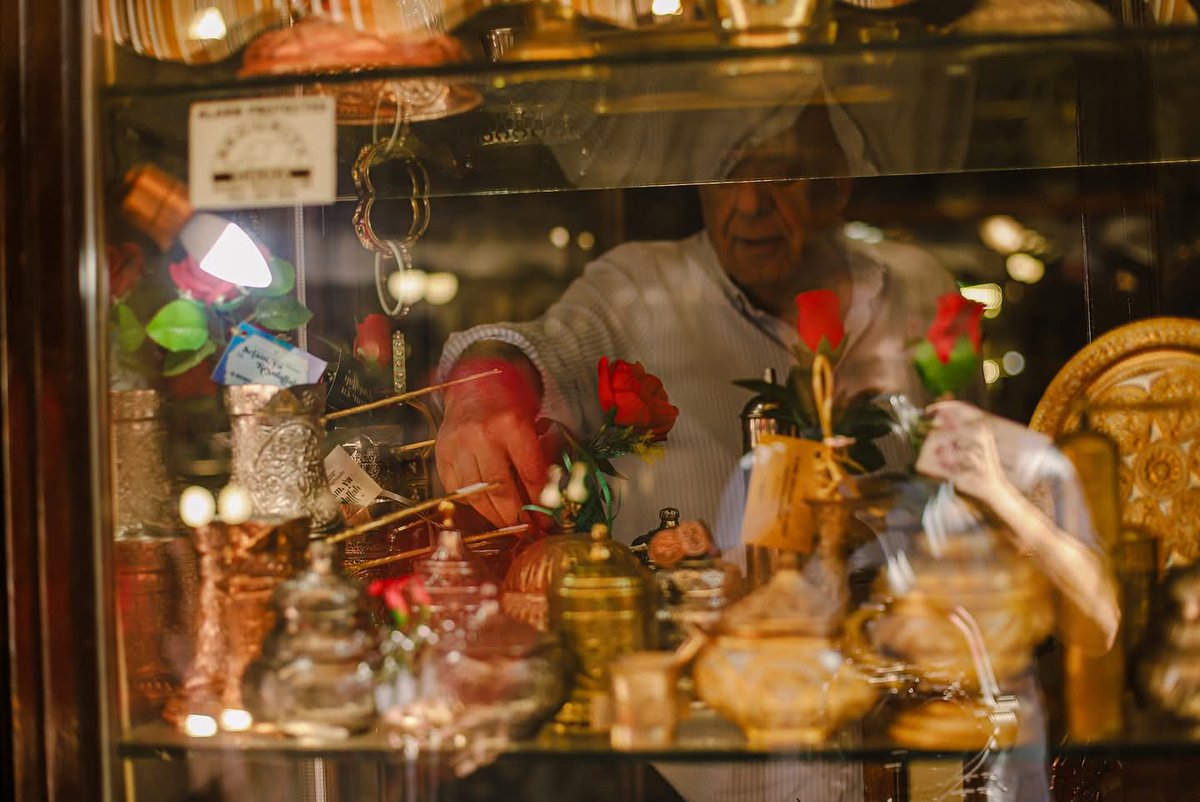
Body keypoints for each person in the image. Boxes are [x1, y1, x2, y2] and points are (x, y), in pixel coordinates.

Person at [435, 103, 955, 539]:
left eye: (783, 175)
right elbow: (545, 346)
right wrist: (488, 386)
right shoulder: (637, 285)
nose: (751, 202)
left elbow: (970, 477)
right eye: (727, 172)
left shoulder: (921, 286)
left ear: (837, 187)